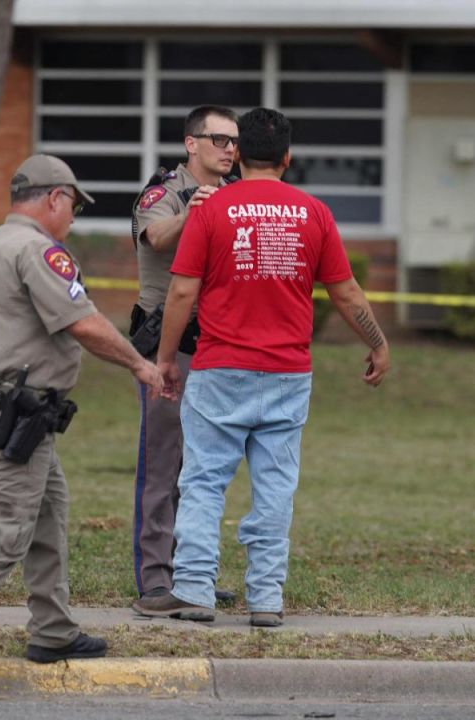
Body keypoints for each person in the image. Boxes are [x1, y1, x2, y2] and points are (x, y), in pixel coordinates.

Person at [0, 154, 172, 703]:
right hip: (15, 415)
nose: (71, 217)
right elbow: (83, 323)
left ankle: (52, 629)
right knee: (5, 531)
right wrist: (142, 366)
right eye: (72, 205)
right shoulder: (39, 251)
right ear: (53, 199)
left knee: (49, 509)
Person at [133, 108, 391, 627]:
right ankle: (267, 600)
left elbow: (182, 289)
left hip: (218, 367)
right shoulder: (314, 212)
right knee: (275, 488)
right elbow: (345, 291)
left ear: (239, 155)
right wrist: (378, 343)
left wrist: (164, 360)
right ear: (288, 158)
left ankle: (195, 589)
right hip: (288, 373)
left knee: (204, 483)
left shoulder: (211, 209)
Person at [128, 105, 240, 606]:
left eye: (235, 142)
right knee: (163, 464)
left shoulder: (235, 194)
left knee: (204, 468)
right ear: (191, 143)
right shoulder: (164, 193)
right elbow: (154, 235)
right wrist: (194, 209)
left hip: (217, 346)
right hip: (166, 348)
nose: (229, 150)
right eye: (219, 139)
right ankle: (156, 579)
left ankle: (192, 573)